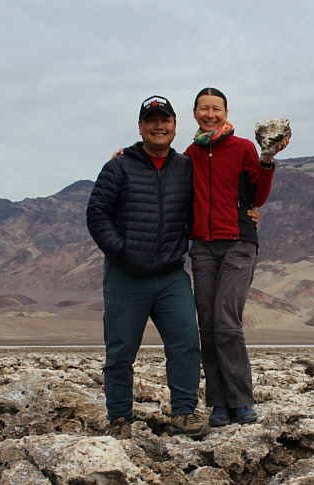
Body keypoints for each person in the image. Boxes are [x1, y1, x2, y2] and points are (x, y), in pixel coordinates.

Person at [86, 94, 208, 440]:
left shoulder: (186, 167)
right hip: (126, 275)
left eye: (165, 120)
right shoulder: (118, 167)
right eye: (151, 121)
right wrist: (121, 252)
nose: (159, 126)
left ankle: (184, 412)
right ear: (140, 127)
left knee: (185, 339)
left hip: (170, 274)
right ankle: (119, 417)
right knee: (121, 349)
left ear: (174, 125)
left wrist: (248, 212)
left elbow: (213, 195)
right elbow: (97, 214)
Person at [184, 87, 288, 427]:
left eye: (216, 108)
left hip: (238, 243)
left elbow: (257, 195)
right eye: (204, 109)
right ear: (195, 113)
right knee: (209, 328)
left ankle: (242, 401)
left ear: (226, 112)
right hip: (202, 247)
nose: (210, 114)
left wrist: (267, 159)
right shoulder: (190, 155)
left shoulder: (243, 148)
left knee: (227, 323)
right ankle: (218, 404)